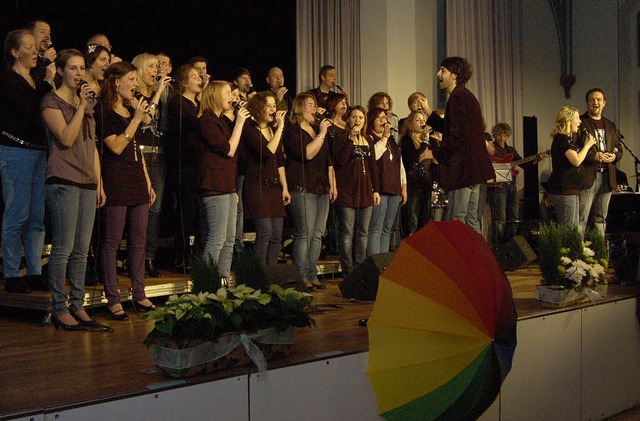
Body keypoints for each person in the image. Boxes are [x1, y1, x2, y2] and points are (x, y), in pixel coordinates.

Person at [41, 49, 106, 330]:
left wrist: (99, 181)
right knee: (64, 248)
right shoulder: (51, 102)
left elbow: (91, 146)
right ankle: (59, 307)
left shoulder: (87, 105)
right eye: (73, 68)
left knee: (82, 249)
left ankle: (78, 306)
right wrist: (80, 106)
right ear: (61, 71)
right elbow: (66, 138)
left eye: (82, 68)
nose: (80, 73)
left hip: (86, 182)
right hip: (63, 180)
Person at [96, 61, 157, 320]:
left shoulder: (131, 108)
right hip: (116, 178)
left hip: (135, 177)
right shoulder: (105, 111)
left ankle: (139, 293)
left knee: (139, 239)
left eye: (136, 79)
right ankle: (113, 297)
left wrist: (147, 181)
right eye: (131, 79)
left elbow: (137, 150)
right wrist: (134, 119)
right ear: (116, 82)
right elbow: (118, 146)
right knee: (112, 241)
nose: (135, 84)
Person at [0, 29, 54, 293]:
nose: (35, 51)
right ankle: (11, 273)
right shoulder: (8, 79)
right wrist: (47, 81)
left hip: (38, 152)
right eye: (30, 47)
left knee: (36, 217)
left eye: (36, 47)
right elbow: (29, 108)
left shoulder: (34, 79)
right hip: (16, 152)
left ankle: (34, 271)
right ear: (14, 52)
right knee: (16, 214)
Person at [421, 56, 495, 233]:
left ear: (454, 75)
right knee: (471, 221)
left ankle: (462, 260)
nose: (438, 74)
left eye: (443, 70)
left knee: (457, 219)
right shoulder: (464, 96)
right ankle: (477, 259)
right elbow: (451, 128)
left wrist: (435, 154)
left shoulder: (458, 98)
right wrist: (429, 112)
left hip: (464, 171)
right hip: (474, 171)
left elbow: (456, 137)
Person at [198, 81, 249, 285]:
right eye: (228, 93)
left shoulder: (220, 121)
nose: (232, 97)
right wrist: (239, 123)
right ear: (215, 95)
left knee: (229, 239)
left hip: (226, 184)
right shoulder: (207, 121)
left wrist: (233, 188)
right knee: (217, 238)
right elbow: (227, 149)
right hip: (213, 184)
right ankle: (206, 283)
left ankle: (224, 281)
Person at [284, 93, 335, 290]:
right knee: (304, 232)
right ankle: (301, 275)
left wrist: (332, 184)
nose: (315, 109)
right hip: (302, 187)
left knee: (318, 233)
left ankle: (312, 274)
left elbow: (327, 160)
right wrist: (322, 134)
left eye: (315, 105)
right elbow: (307, 154)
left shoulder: (316, 129)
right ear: (299, 108)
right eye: (310, 105)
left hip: (321, 187)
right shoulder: (293, 131)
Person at [131, 53, 172, 277]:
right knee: (141, 207)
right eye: (151, 67)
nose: (156, 70)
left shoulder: (162, 95)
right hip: (141, 155)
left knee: (155, 210)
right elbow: (146, 118)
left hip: (159, 154)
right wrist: (157, 92)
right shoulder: (134, 93)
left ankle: (149, 258)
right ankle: (134, 258)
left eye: (158, 66)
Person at [242, 92, 290, 266]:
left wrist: (284, 187)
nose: (272, 109)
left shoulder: (272, 130)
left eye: (273, 105)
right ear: (258, 107)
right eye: (268, 105)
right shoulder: (249, 130)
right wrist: (280, 128)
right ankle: (259, 275)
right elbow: (266, 152)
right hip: (257, 186)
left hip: (274, 187)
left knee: (277, 234)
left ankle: (272, 275)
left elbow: (279, 161)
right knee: (265, 233)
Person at [334, 106, 380, 277]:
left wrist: (376, 190)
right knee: (347, 233)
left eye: (361, 117)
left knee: (363, 234)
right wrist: (350, 140)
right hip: (346, 191)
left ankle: (359, 270)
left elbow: (373, 167)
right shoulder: (340, 138)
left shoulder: (368, 139)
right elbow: (340, 161)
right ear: (348, 119)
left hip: (365, 191)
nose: (357, 120)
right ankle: (348, 271)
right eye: (354, 117)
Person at [167, 64, 202, 271]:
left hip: (197, 164)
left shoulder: (197, 104)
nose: (199, 79)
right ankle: (180, 256)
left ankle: (195, 256)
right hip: (183, 164)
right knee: (185, 211)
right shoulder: (178, 102)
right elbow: (189, 126)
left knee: (197, 213)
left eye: (199, 76)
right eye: (194, 77)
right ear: (183, 82)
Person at [577, 88, 623, 237]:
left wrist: (614, 157)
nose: (595, 103)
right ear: (587, 103)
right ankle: (577, 253)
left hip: (607, 177)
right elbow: (576, 148)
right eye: (591, 100)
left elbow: (619, 149)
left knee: (601, 218)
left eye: (598, 100)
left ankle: (599, 254)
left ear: (604, 103)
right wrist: (594, 156)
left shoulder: (610, 125)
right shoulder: (581, 123)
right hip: (589, 176)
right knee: (581, 218)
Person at [487, 123, 541, 243]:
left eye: (505, 136)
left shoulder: (511, 150)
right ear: (495, 135)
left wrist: (536, 159)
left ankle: (512, 243)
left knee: (514, 216)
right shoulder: (491, 149)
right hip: (498, 186)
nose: (502, 138)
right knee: (500, 217)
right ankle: (499, 243)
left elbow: (523, 163)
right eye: (499, 135)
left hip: (511, 185)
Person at [542, 106, 595, 226]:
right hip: (564, 190)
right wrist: (587, 145)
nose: (580, 121)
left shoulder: (568, 139)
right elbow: (576, 161)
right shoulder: (561, 138)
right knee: (568, 228)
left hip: (571, 190)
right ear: (568, 120)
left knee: (573, 227)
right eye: (577, 118)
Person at [366, 108, 406, 255]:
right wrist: (384, 137)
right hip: (380, 189)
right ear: (371, 121)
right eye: (379, 118)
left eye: (384, 118)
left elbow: (400, 164)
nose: (383, 121)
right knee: (376, 228)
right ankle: (374, 262)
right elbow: (373, 155)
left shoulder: (392, 142)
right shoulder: (369, 138)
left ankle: (382, 263)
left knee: (387, 229)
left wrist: (404, 186)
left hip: (394, 189)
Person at [400, 110, 433, 238]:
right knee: (411, 218)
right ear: (411, 124)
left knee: (425, 219)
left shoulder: (429, 141)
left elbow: (433, 161)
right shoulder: (407, 140)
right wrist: (424, 140)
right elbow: (414, 157)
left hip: (426, 183)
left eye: (423, 120)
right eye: (418, 120)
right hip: (412, 184)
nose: (422, 123)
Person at [27, 20, 56, 87]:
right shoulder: (27, 59)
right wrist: (45, 61)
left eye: (49, 33)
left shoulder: (51, 58)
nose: (47, 36)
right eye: (42, 32)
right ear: (31, 35)